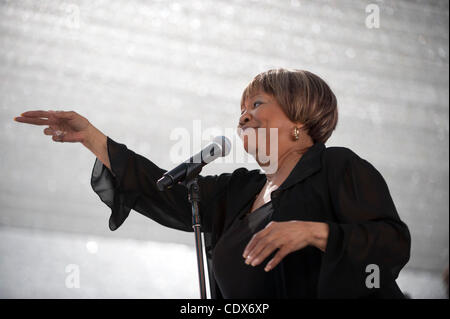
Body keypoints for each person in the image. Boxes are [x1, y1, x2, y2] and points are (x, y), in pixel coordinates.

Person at [14, 68, 411, 299]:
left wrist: (314, 232)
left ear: (300, 121)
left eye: (256, 104)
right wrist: (91, 137)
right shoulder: (239, 191)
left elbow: (391, 243)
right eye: (241, 108)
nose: (243, 115)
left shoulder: (336, 166)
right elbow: (160, 191)